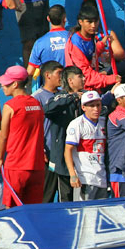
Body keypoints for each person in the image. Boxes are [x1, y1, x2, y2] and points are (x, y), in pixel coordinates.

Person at [0, 65, 47, 206]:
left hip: (16, 166)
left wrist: (0, 157)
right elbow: (24, 129)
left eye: (6, 83)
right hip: (37, 167)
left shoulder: (10, 106)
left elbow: (4, 136)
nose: (2, 86)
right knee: (34, 211)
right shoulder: (36, 104)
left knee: (12, 209)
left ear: (15, 84)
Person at [41, 65, 85, 202]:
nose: (84, 79)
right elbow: (47, 109)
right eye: (80, 76)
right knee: (64, 196)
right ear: (70, 81)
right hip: (61, 157)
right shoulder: (60, 97)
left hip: (82, 156)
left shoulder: (85, 97)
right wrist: (72, 97)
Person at [64, 3, 125, 93]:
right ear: (80, 22)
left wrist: (101, 45)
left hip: (93, 83)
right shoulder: (76, 43)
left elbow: (91, 55)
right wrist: (110, 79)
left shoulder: (91, 36)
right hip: (82, 89)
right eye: (89, 22)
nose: (93, 25)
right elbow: (85, 75)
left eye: (96, 21)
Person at [64, 89, 108, 200]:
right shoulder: (77, 124)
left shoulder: (104, 122)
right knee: (85, 210)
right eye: (91, 106)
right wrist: (72, 175)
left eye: (98, 105)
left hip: (102, 177)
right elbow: (68, 150)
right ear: (83, 107)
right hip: (85, 178)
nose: (96, 109)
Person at [27, 4, 68, 77]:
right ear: (64, 18)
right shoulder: (73, 38)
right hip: (70, 82)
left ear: (48, 19)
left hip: (49, 82)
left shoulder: (39, 43)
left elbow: (30, 71)